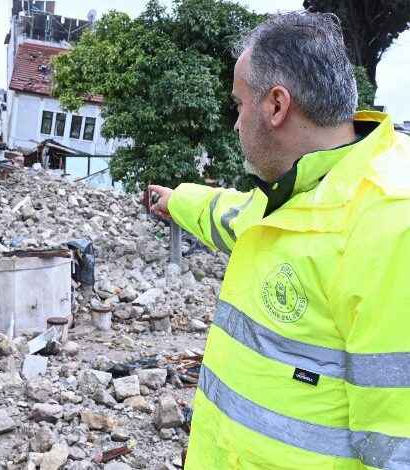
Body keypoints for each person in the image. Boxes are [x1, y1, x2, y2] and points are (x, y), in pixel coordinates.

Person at [149, 11, 410, 469]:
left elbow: (396, 446)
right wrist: (176, 200)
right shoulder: (293, 193)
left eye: (238, 105)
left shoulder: (390, 225)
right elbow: (227, 215)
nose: (235, 123)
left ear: (276, 106)